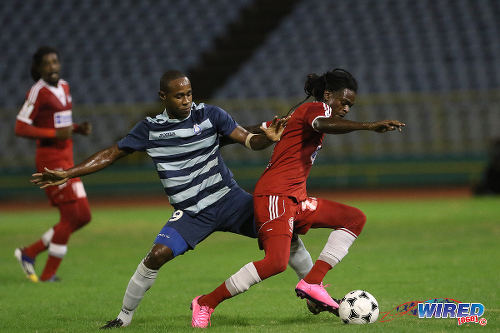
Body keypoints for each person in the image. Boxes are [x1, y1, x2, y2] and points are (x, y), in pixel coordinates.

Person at [31, 70, 315, 328]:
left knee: (284, 231)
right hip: (191, 213)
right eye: (179, 96)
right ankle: (123, 317)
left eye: (189, 94)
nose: (186, 100)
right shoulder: (150, 129)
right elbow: (111, 153)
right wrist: (70, 172)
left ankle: (315, 291)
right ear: (163, 97)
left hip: (229, 200)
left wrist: (268, 138)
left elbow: (250, 140)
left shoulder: (210, 115)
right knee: (157, 255)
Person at [191, 68, 406, 328]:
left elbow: (277, 131)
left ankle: (312, 282)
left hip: (295, 198)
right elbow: (321, 124)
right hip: (275, 195)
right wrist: (368, 126)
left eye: (351, 105)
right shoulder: (317, 110)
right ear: (328, 95)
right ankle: (205, 302)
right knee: (275, 263)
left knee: (354, 218)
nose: (347, 109)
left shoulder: (307, 112)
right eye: (344, 102)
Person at [14, 46, 92, 283]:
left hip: (68, 160)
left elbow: (61, 124)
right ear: (38, 68)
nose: (52, 67)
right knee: (70, 217)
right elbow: (20, 126)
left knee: (83, 216)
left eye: (55, 62)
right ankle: (48, 275)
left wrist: (77, 129)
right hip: (51, 162)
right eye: (46, 63)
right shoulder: (37, 91)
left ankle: (29, 252)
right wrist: (53, 133)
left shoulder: (65, 86)